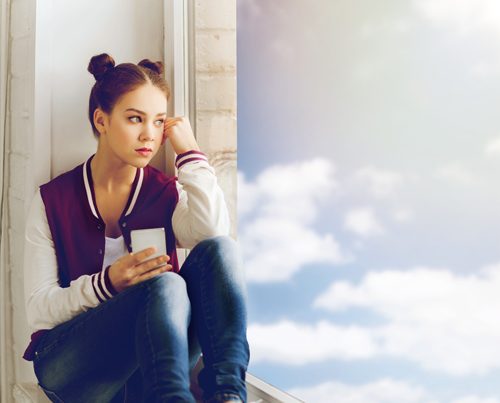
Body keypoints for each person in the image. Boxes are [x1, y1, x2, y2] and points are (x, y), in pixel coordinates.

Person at [22, 53, 250, 403]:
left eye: (159, 122)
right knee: (166, 284)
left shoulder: (165, 192)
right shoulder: (53, 200)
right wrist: (108, 283)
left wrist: (189, 154)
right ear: (102, 119)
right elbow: (38, 308)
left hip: (153, 367)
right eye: (134, 119)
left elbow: (211, 234)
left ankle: (229, 395)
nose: (149, 135)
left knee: (223, 250)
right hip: (73, 371)